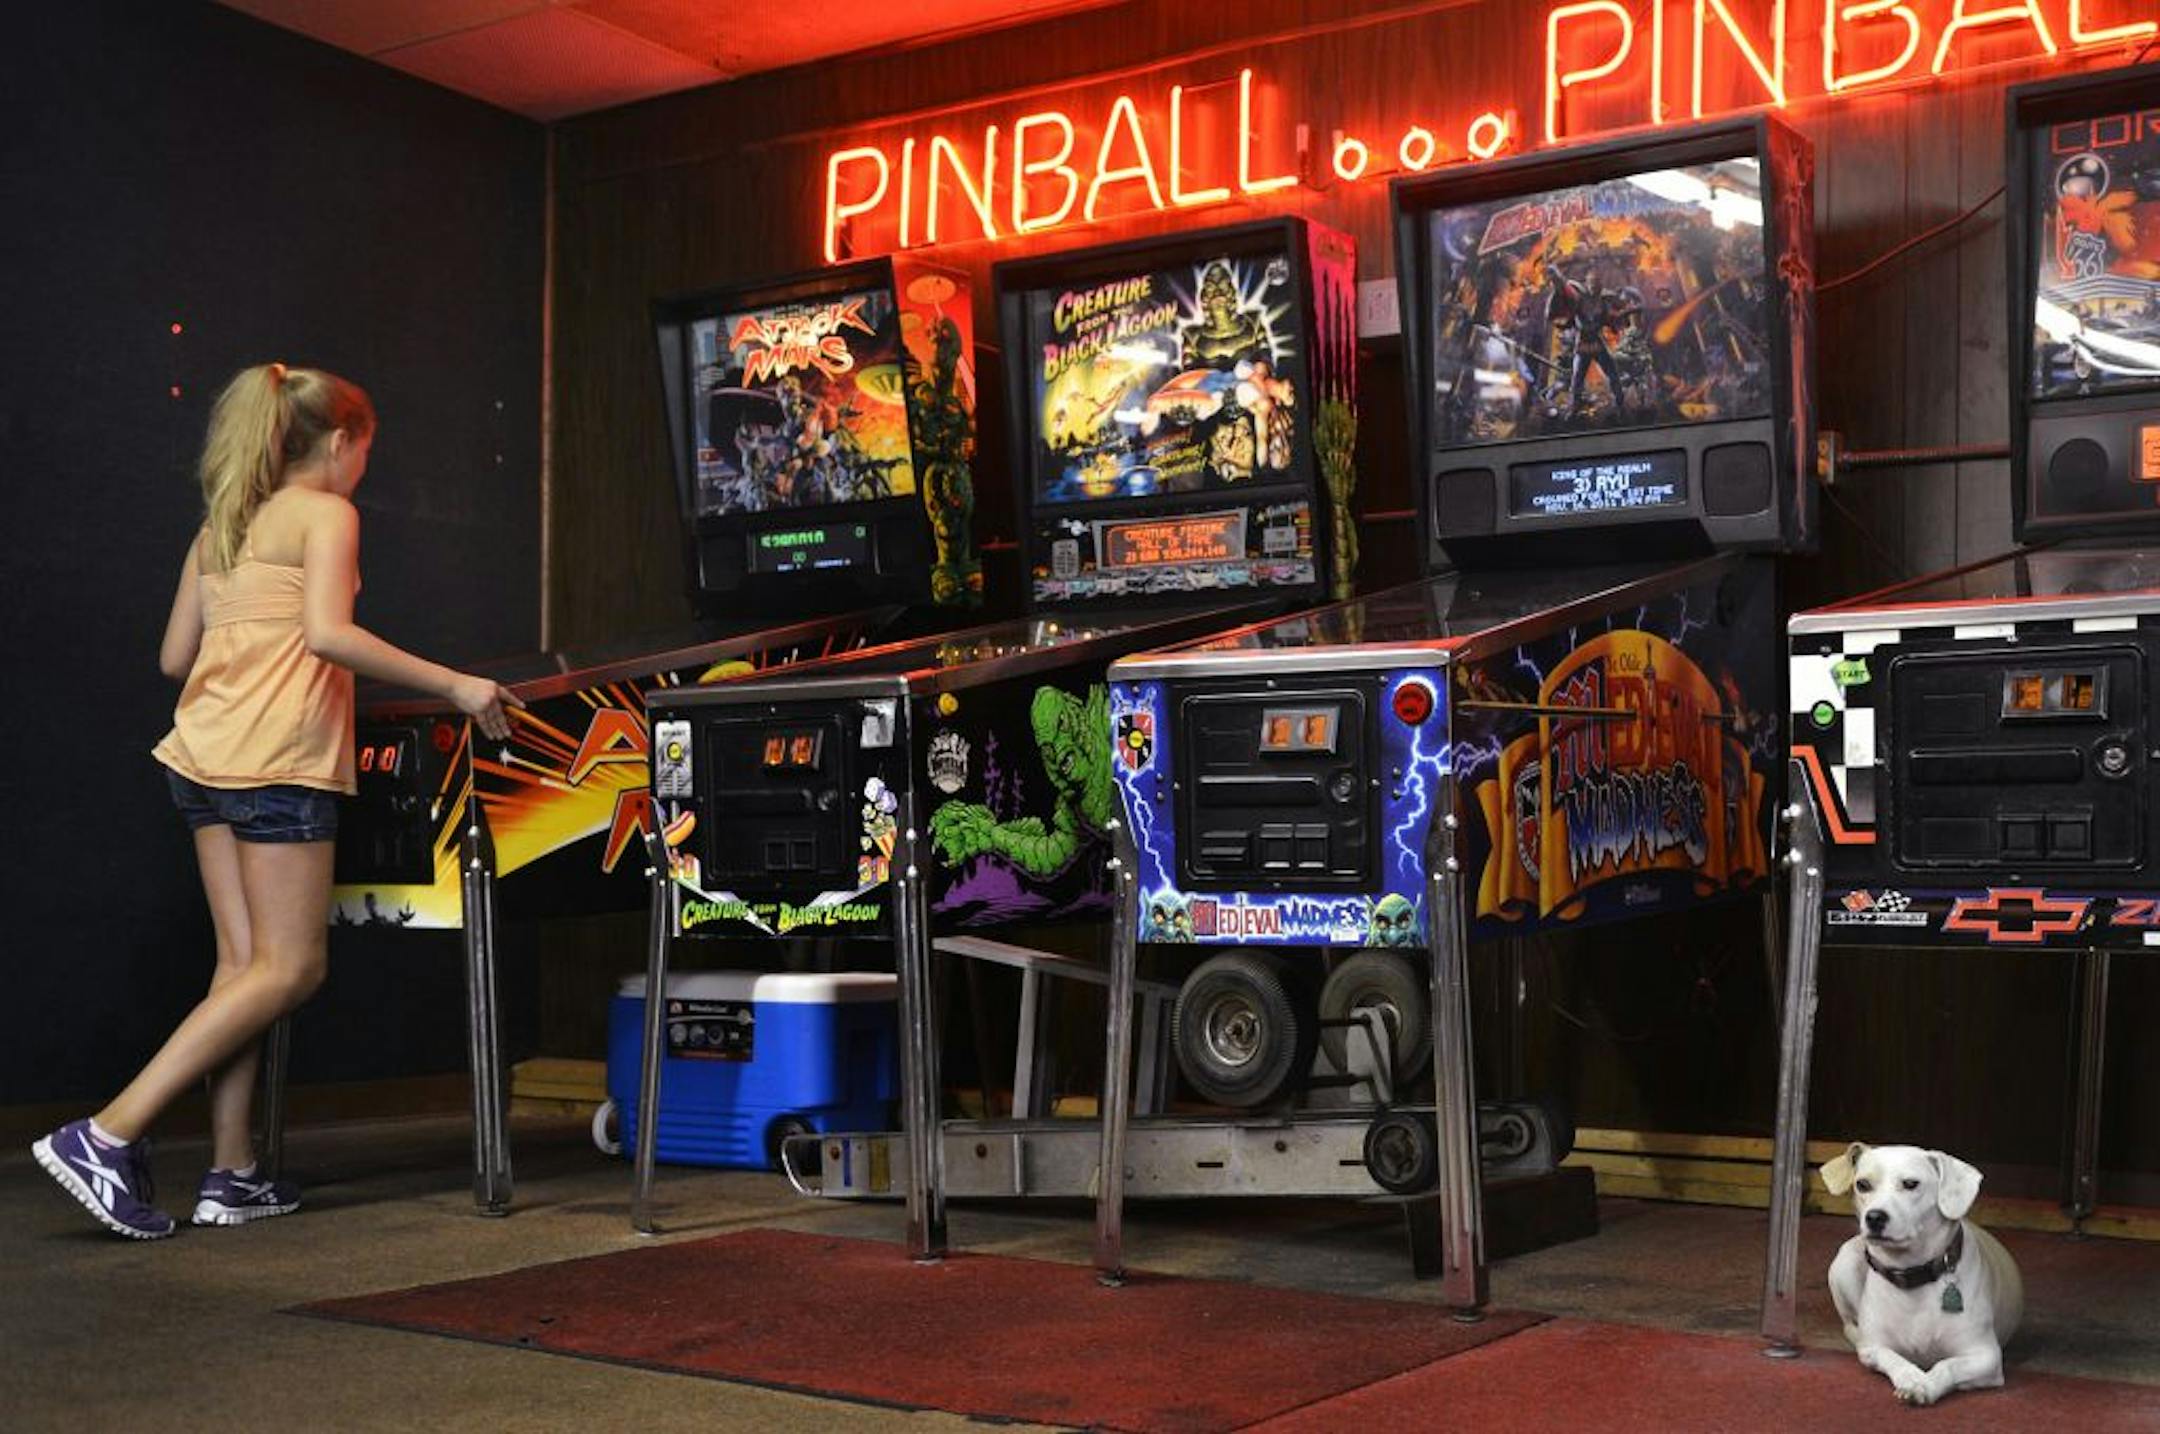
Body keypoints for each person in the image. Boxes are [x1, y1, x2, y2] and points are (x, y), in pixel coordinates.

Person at [31, 363, 520, 1238]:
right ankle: (106, 1133)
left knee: (242, 969)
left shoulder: (220, 524)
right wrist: (457, 686)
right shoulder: (329, 514)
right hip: (277, 762)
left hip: (202, 757)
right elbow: (328, 633)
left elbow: (174, 659)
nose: (364, 468)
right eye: (365, 452)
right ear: (339, 443)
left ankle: (234, 1174)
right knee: (293, 969)